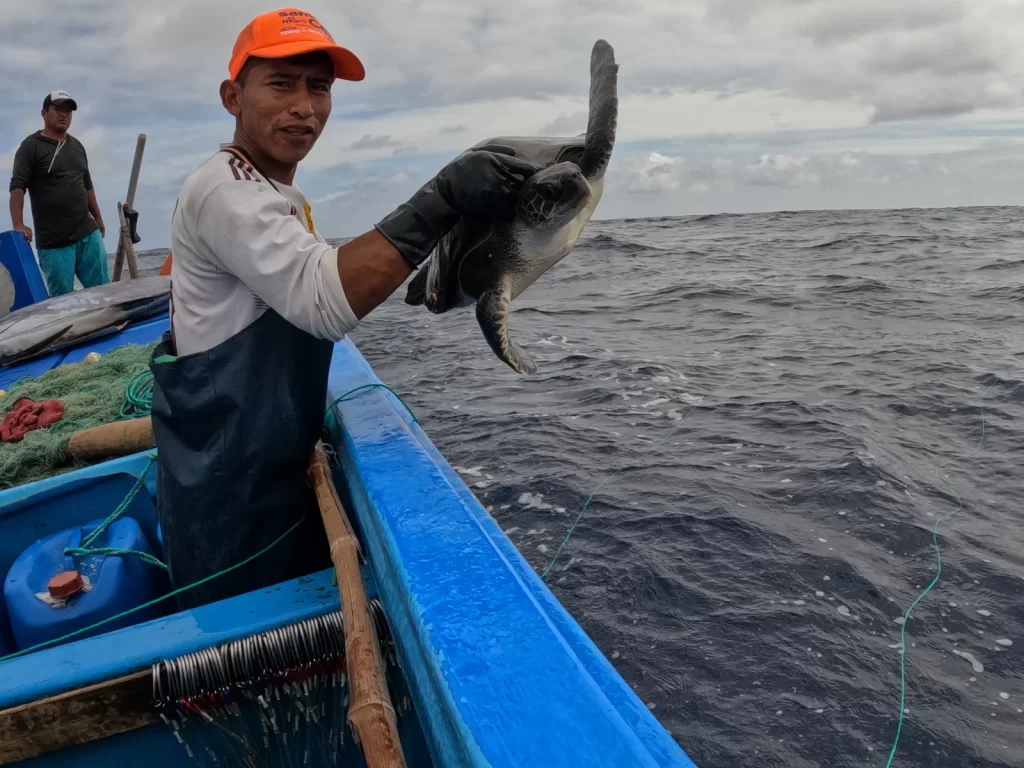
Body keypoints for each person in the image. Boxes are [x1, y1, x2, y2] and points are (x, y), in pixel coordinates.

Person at [149, 7, 539, 610]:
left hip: (254, 460)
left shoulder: (268, 189)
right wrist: (441, 198)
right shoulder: (228, 191)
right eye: (281, 83)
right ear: (233, 96)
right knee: (246, 637)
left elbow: (313, 279)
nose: (303, 105)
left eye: (319, 87)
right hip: (232, 493)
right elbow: (324, 302)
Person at [8, 90, 109, 297]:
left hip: (87, 233)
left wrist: (98, 218)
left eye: (69, 111)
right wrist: (18, 223)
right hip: (54, 242)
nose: (64, 115)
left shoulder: (78, 146)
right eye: (58, 109)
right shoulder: (30, 147)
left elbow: (87, 185)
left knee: (104, 293)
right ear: (44, 113)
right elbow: (17, 186)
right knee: (62, 303)